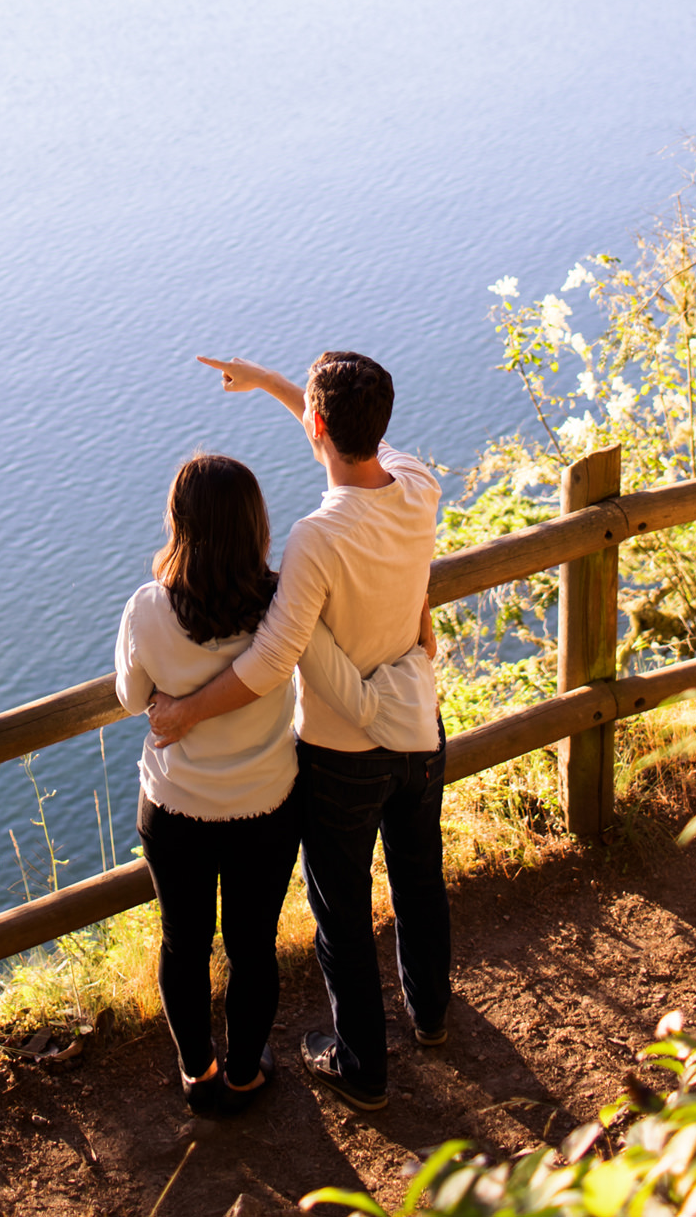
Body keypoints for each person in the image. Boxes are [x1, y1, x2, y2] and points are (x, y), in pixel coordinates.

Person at [145, 351, 448, 1119]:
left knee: (342, 915)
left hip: (344, 754)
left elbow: (273, 658)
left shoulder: (317, 536)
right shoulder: (418, 484)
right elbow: (340, 432)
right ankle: (433, 1016)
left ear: (316, 424)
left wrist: (183, 714)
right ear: (381, 421)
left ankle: (363, 1069)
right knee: (419, 880)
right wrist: (276, 386)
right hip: (420, 729)